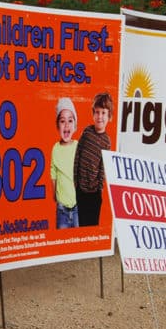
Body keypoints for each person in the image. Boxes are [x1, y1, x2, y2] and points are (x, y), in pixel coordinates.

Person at [73, 91, 114, 227]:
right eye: (97, 112)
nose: (99, 116)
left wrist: (99, 191)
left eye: (103, 113)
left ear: (109, 116)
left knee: (91, 225)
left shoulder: (106, 142)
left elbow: (103, 168)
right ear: (93, 114)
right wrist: (75, 181)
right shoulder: (87, 132)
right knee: (80, 223)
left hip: (94, 194)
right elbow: (77, 155)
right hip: (80, 190)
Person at [50, 97, 78, 229]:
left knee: (79, 242)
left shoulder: (79, 146)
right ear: (57, 126)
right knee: (62, 241)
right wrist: (54, 195)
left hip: (78, 207)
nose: (66, 125)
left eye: (70, 121)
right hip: (62, 209)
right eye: (62, 121)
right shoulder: (55, 148)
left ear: (75, 125)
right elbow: (53, 172)